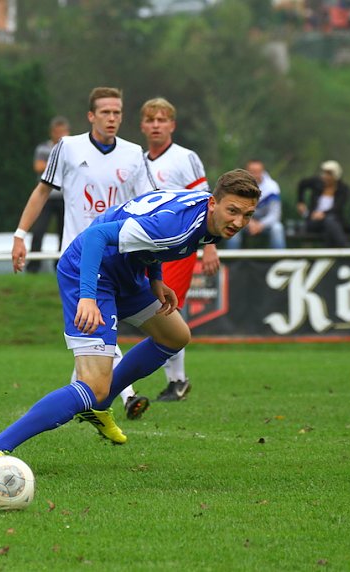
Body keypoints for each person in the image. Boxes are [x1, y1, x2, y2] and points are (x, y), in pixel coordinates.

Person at [0, 171, 261, 465]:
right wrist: (87, 296)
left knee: (175, 336)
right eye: (233, 211)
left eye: (247, 215)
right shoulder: (178, 225)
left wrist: (155, 279)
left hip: (127, 271)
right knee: (92, 385)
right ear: (213, 203)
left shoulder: (205, 215)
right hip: (91, 269)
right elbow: (96, 236)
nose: (239, 222)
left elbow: (156, 233)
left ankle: (100, 405)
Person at [11, 87, 156, 434]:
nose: (112, 118)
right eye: (105, 112)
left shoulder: (134, 154)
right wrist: (20, 234)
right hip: (79, 260)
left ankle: (81, 399)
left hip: (121, 258)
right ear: (91, 116)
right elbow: (42, 191)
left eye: (117, 112)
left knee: (95, 333)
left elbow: (150, 205)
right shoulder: (68, 147)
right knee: (100, 326)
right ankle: (124, 395)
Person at [140, 96, 219, 402]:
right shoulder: (137, 161)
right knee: (154, 309)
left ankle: (178, 380)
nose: (156, 125)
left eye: (162, 120)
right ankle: (175, 380)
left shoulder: (185, 157)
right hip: (146, 246)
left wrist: (210, 246)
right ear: (142, 125)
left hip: (179, 245)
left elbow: (206, 203)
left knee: (165, 308)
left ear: (172, 125)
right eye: (150, 120)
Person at [27, 116, 70, 273]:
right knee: (38, 231)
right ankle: (33, 266)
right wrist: (60, 162)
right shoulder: (43, 148)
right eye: (57, 132)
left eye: (63, 132)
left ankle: (60, 266)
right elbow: (38, 166)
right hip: (46, 197)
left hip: (65, 197)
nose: (60, 135)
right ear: (52, 132)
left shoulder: (72, 149)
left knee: (63, 233)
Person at [224, 159, 287, 250]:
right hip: (244, 221)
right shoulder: (237, 187)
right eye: (252, 172)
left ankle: (279, 258)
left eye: (257, 172)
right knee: (232, 225)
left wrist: (260, 225)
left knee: (277, 228)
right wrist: (249, 223)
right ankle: (231, 258)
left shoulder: (272, 188)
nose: (254, 175)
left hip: (265, 224)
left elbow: (275, 215)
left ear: (263, 171)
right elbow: (234, 212)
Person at [296, 161, 350, 247]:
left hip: (334, 220)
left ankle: (331, 252)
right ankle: (345, 248)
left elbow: (337, 208)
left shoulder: (343, 189)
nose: (325, 176)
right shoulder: (317, 183)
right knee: (330, 224)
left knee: (329, 222)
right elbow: (302, 184)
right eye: (324, 173)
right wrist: (300, 202)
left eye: (329, 174)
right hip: (314, 221)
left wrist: (323, 214)